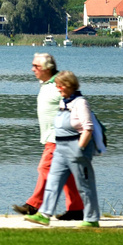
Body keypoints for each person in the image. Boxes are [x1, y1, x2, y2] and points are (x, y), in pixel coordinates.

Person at [13, 52, 84, 218]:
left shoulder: (57, 85)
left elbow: (76, 102)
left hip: (59, 137)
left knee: (45, 168)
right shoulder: (46, 83)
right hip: (53, 138)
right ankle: (76, 209)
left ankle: (33, 205)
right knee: (67, 175)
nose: (32, 69)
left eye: (36, 66)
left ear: (47, 69)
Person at [26, 71, 101, 227]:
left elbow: (88, 128)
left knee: (84, 185)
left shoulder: (80, 103)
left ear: (68, 85)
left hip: (77, 148)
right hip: (60, 148)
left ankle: (92, 219)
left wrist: (80, 148)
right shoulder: (63, 102)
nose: (58, 88)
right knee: (53, 181)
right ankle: (44, 215)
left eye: (60, 85)